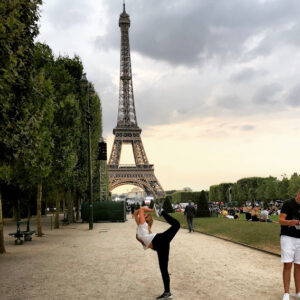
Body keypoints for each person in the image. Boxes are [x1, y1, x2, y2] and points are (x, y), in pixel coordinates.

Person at [134, 205, 180, 299]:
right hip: (159, 245)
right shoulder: (141, 226)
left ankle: (162, 211)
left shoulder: (143, 225)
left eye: (145, 215)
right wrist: (151, 210)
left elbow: (140, 210)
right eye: (145, 215)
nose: (144, 215)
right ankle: (167, 293)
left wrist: (153, 210)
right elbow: (138, 212)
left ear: (145, 219)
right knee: (164, 270)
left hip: (159, 240)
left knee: (177, 225)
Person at [279, 189, 300, 300]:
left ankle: (298, 292)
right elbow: (281, 220)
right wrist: (289, 222)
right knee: (287, 264)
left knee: (299, 266)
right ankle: (286, 293)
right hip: (288, 237)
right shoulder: (288, 203)